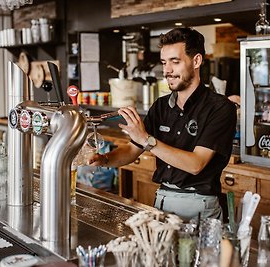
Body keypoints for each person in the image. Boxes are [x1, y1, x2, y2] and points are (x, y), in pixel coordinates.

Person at [90, 27, 237, 221]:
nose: (167, 70)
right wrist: (105, 160)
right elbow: (133, 150)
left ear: (196, 61)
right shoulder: (161, 106)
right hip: (162, 200)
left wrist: (146, 139)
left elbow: (195, 164)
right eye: (164, 62)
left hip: (201, 205)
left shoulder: (220, 107)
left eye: (175, 62)